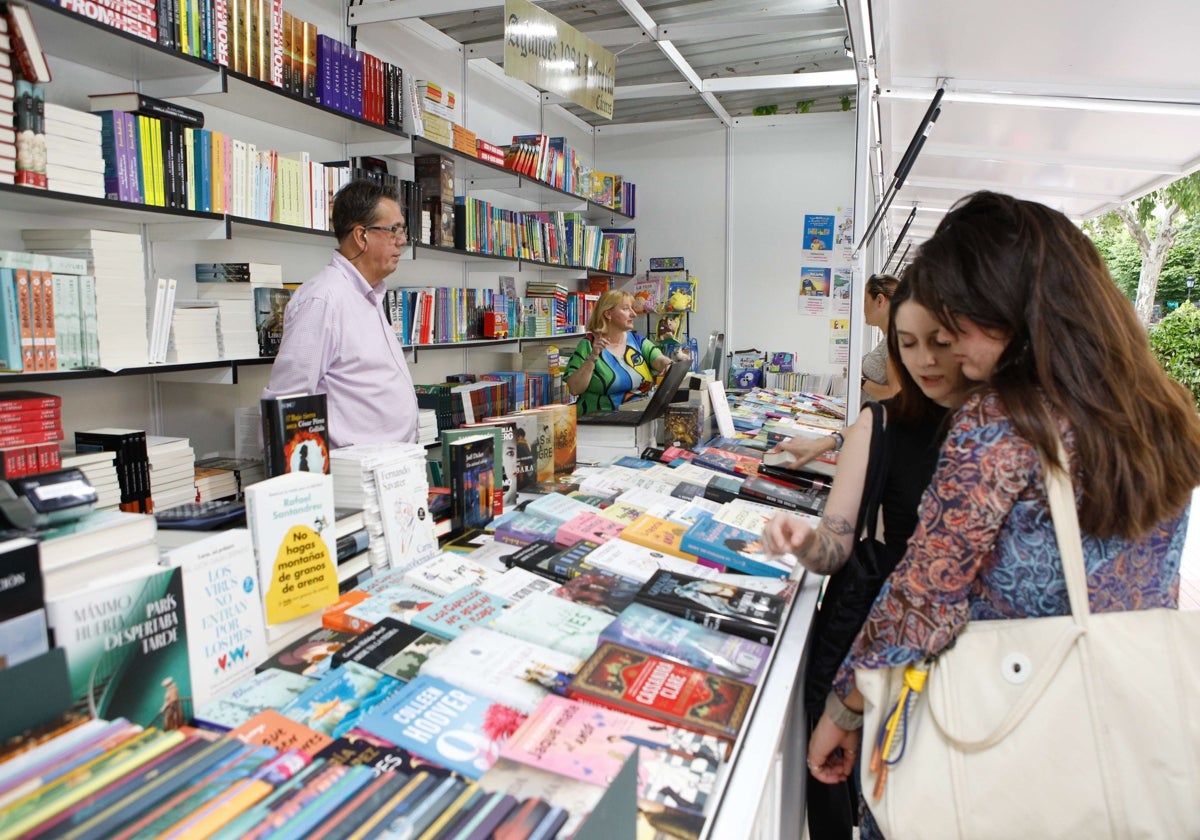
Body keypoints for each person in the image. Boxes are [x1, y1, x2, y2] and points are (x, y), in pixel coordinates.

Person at [805, 192, 1200, 839]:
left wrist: (844, 710)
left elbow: (922, 600)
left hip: (993, 735)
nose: (949, 347)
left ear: (1010, 308)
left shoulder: (1003, 423)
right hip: (1111, 734)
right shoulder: (1160, 411)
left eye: (959, 320)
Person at [761, 278, 968, 840]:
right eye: (906, 343)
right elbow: (836, 544)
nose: (923, 359)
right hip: (870, 639)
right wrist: (803, 540)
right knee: (838, 781)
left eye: (937, 341)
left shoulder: (992, 432)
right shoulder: (876, 425)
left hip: (960, 656)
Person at [263, 179, 419, 449]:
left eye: (402, 230)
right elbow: (288, 403)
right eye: (393, 230)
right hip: (350, 478)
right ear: (361, 236)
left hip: (391, 470)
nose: (402, 241)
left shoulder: (368, 295)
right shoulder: (323, 300)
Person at [772, 274, 903, 468]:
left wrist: (858, 379)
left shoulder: (894, 339)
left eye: (865, 300)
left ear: (880, 300)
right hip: (868, 429)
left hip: (879, 433)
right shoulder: (887, 338)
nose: (862, 307)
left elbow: (894, 392)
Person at [564, 290, 673, 416]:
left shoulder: (638, 341)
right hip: (598, 424)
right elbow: (574, 388)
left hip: (638, 418)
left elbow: (659, 359)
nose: (633, 314)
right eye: (626, 309)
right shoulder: (588, 345)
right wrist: (593, 358)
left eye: (633, 309)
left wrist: (668, 364)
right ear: (608, 314)